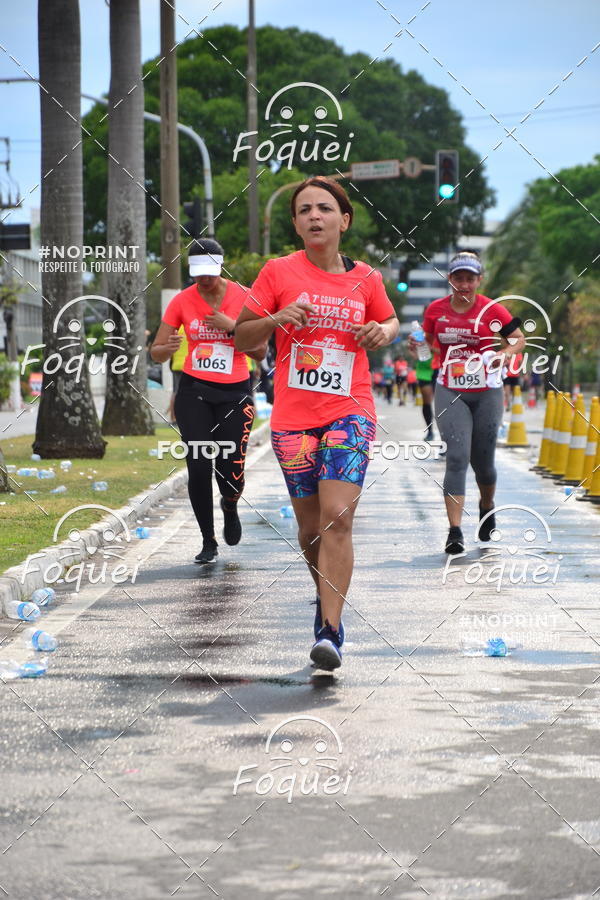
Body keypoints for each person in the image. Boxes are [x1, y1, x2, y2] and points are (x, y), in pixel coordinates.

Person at [235, 175, 399, 671]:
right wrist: (277, 318)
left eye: (324, 208)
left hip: (350, 411)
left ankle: (330, 631)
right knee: (309, 529)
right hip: (293, 418)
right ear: (296, 223)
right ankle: (326, 603)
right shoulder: (277, 272)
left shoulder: (366, 278)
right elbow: (243, 337)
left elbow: (389, 322)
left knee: (338, 517)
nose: (313, 216)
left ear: (343, 220)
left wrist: (380, 331)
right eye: (303, 209)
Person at [151, 238, 265, 564]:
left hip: (235, 392)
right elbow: (156, 350)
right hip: (194, 391)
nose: (204, 279)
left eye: (209, 272)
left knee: (230, 468)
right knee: (199, 465)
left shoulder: (244, 297)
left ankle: (230, 505)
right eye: (197, 273)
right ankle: (208, 540)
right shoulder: (182, 301)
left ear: (220, 266)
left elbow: (260, 351)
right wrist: (167, 348)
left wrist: (232, 328)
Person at [422, 250, 525, 554]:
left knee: (484, 464)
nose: (464, 284)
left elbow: (518, 339)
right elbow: (426, 346)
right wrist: (421, 350)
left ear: (479, 280)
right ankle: (455, 531)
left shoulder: (492, 309)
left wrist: (503, 355)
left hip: (487, 390)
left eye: (470, 278)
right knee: (456, 457)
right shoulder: (435, 311)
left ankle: (487, 505)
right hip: (449, 388)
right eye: (458, 278)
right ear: (450, 280)